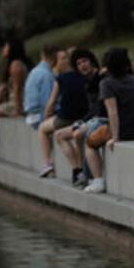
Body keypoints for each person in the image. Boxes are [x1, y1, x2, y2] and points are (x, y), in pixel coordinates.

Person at [83, 48, 134, 193]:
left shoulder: (106, 84)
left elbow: (113, 112)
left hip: (121, 130)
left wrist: (115, 137)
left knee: (90, 143)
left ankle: (98, 180)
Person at [36, 49, 92, 178]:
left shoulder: (61, 78)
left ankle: (48, 164)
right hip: (83, 116)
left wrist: (46, 116)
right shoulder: (84, 77)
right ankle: (78, 170)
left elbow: (51, 103)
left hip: (66, 118)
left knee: (43, 128)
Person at [54, 50, 103, 186]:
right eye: (79, 63)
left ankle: (86, 175)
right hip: (89, 119)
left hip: (100, 120)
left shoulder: (100, 78)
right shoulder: (87, 82)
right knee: (59, 135)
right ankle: (78, 170)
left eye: (85, 61)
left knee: (77, 134)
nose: (83, 66)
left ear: (92, 61)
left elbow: (99, 108)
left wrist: (83, 122)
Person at [23, 46, 61, 130]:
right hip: (40, 116)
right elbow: (47, 103)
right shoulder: (46, 75)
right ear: (55, 58)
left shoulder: (34, 71)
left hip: (31, 115)